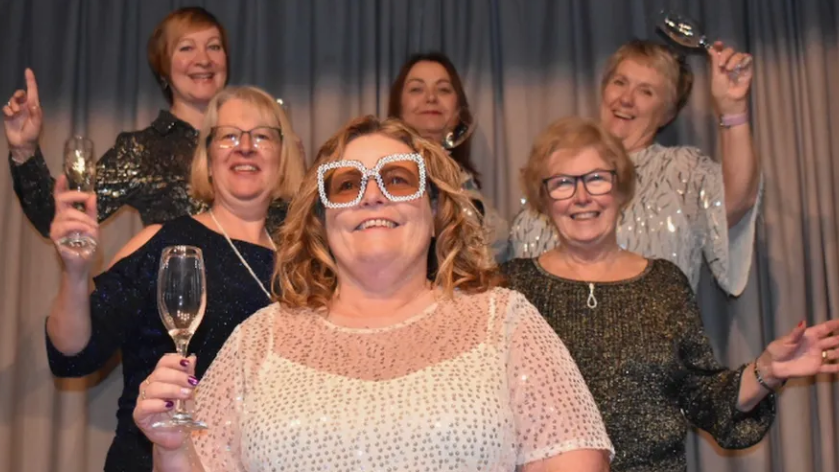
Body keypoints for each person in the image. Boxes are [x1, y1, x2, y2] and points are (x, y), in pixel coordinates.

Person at [133, 116, 614, 472]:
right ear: (321, 222)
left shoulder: (505, 322)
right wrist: (170, 447)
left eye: (398, 178)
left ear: (435, 211)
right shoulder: (259, 341)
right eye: (346, 184)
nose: (371, 195)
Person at [501, 117, 839, 472]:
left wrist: (767, 369)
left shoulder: (663, 282)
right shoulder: (512, 288)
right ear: (544, 197)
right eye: (564, 183)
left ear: (620, 189)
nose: (582, 196)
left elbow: (704, 396)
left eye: (596, 178)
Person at [46, 86, 305, 472]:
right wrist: (75, 271)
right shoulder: (165, 241)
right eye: (229, 135)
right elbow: (73, 355)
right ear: (208, 157)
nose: (245, 147)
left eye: (262, 136)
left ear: (283, 156)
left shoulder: (303, 264)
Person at [3, 7, 288, 235]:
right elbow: (58, 216)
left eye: (213, 47)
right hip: (179, 301)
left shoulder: (265, 141)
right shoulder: (141, 149)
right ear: (163, 69)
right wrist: (24, 150)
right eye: (186, 48)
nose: (204, 60)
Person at [508, 40, 760, 295]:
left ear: (667, 113)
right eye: (620, 82)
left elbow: (736, 200)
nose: (626, 99)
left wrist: (733, 109)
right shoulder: (555, 169)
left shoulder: (681, 170)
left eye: (646, 91)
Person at [388, 52, 509, 260]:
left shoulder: (467, 186)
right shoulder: (382, 180)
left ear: (457, 112)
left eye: (443, 89)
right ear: (398, 109)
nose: (431, 98)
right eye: (417, 89)